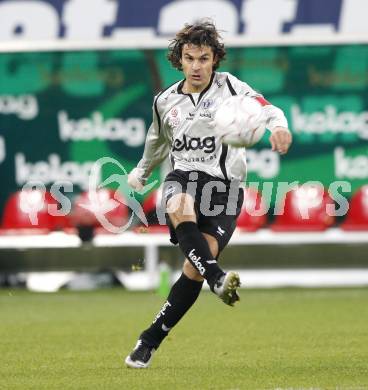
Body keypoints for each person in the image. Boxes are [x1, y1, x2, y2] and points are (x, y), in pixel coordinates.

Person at [125, 20, 292, 368]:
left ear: (215, 59)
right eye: (190, 58)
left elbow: (267, 107)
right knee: (179, 201)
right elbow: (156, 143)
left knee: (195, 265)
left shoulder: (231, 87)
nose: (197, 66)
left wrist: (278, 126)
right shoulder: (165, 101)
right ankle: (218, 278)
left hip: (225, 188)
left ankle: (150, 338)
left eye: (204, 58)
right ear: (179, 60)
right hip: (183, 177)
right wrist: (141, 172)